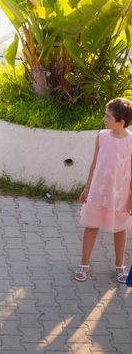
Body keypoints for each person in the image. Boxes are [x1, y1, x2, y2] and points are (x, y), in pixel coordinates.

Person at [75, 97, 132, 284]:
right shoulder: (102, 136)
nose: (104, 119)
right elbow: (94, 164)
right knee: (91, 226)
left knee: (120, 228)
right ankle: (84, 264)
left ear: (121, 122)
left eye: (108, 117)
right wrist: (86, 188)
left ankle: (119, 265)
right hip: (98, 192)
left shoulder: (131, 142)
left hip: (120, 193)